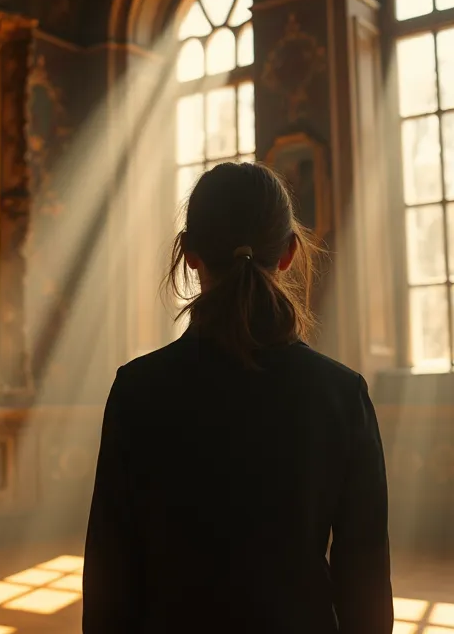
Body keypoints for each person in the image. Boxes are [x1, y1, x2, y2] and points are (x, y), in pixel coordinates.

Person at [82, 163, 393, 633]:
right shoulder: (341, 395)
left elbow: (110, 577)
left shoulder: (136, 391)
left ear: (188, 252)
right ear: (289, 252)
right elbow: (365, 582)